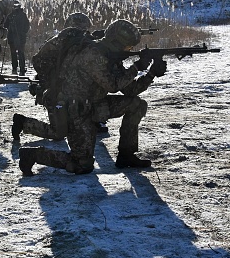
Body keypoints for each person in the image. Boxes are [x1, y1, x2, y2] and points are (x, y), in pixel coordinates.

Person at [18, 19, 167, 176]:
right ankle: (32, 155)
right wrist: (137, 67)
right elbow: (113, 85)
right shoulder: (92, 53)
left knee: (136, 104)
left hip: (94, 106)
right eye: (128, 47)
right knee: (82, 165)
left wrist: (151, 74)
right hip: (75, 112)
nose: (128, 50)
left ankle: (126, 155)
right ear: (117, 42)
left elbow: (130, 90)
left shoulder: (109, 56)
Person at [12, 12, 94, 142]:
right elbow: (38, 60)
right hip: (55, 92)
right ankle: (23, 123)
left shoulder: (83, 42)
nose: (84, 31)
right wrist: (50, 83)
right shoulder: (59, 41)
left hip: (70, 92)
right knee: (58, 133)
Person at [3, 0, 30, 75]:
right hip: (17, 38)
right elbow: (27, 26)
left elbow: (5, 26)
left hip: (16, 38)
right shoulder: (21, 15)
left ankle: (16, 69)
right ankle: (20, 69)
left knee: (15, 53)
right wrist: (23, 33)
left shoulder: (11, 15)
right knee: (19, 53)